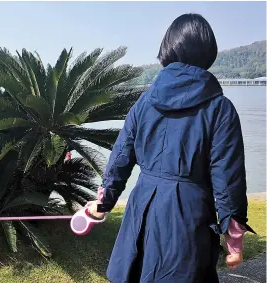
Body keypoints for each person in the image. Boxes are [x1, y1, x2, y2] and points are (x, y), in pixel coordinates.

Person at [86, 13, 255, 283]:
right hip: (188, 219)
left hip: (143, 209)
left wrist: (104, 202)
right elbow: (228, 179)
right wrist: (234, 242)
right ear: (208, 51)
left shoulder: (144, 102)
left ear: (168, 48)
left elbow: (120, 157)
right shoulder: (220, 109)